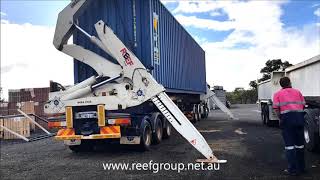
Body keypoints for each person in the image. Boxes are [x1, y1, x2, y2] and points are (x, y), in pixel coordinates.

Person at [273, 76, 306, 176]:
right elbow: (303, 105)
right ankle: (301, 168)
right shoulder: (298, 92)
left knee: (290, 146)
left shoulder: (277, 94)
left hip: (287, 121)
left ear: (281, 85)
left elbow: (276, 108)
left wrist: (280, 118)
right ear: (290, 83)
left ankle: (292, 169)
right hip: (299, 120)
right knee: (300, 145)